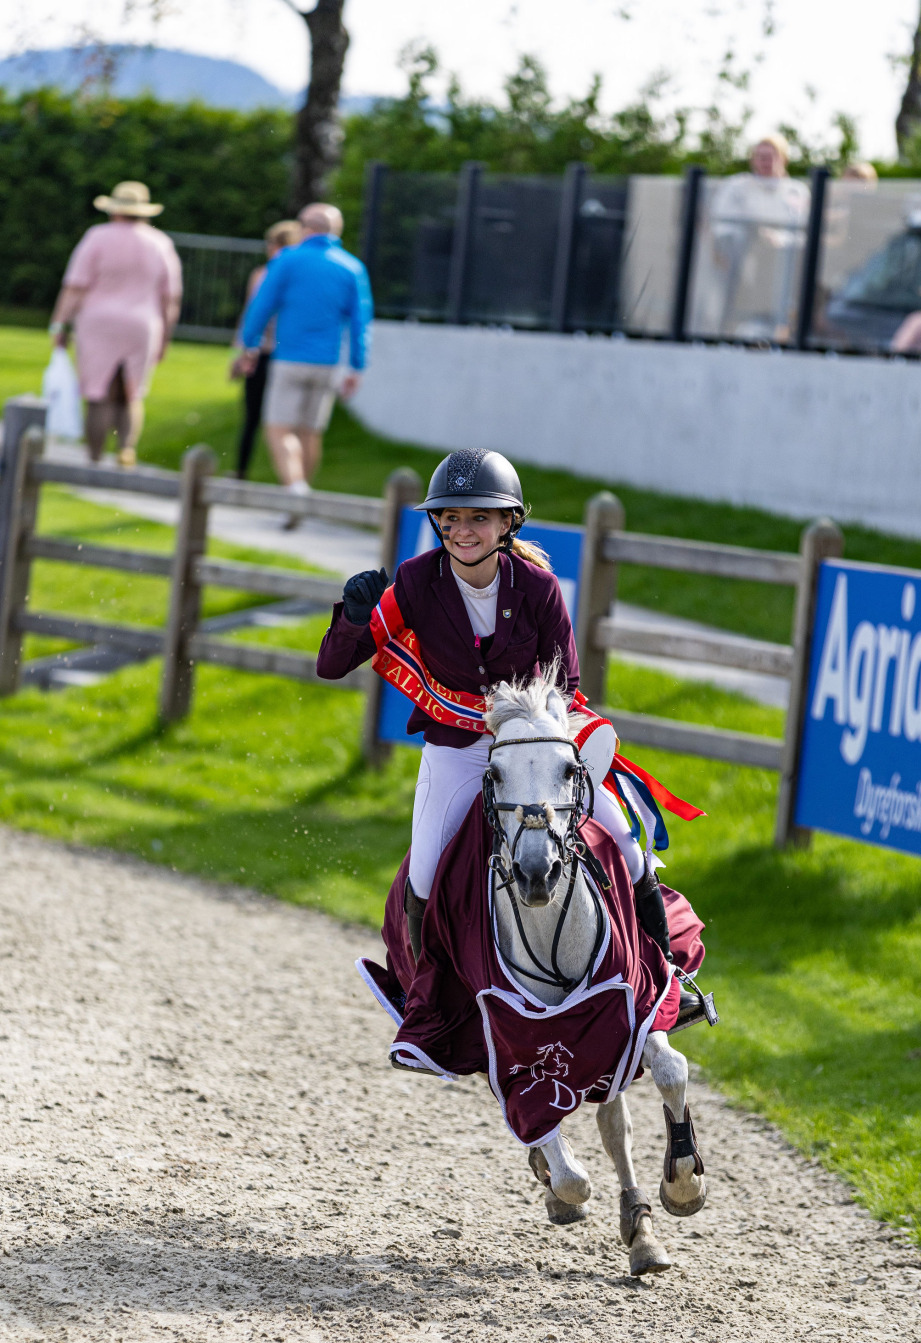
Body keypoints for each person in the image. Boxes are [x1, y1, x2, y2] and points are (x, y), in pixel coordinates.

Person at [316, 448, 668, 962]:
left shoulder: (539, 587)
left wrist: (525, 728)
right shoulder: (415, 581)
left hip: (533, 751)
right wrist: (352, 617)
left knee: (627, 844)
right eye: (450, 518)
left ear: (508, 523)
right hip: (456, 750)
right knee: (424, 870)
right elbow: (331, 666)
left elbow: (566, 684)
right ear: (437, 522)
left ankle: (667, 970)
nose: (462, 531)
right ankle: (425, 990)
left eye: (479, 518)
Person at [239, 202, 373, 528]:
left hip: (289, 358)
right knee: (310, 432)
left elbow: (262, 304)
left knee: (278, 428)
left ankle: (295, 492)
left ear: (305, 227)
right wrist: (357, 366)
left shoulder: (288, 259)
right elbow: (360, 321)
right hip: (328, 363)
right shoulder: (351, 267)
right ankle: (300, 499)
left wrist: (249, 344)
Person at [49, 180, 182, 466]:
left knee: (97, 393)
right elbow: (170, 297)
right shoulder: (160, 243)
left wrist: (59, 323)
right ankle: (125, 450)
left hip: (98, 322)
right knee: (131, 393)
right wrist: (166, 336)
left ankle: (94, 458)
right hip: (143, 323)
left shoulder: (97, 237)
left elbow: (75, 286)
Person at [695, 134, 810, 340]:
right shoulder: (736, 186)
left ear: (784, 158)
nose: (765, 161)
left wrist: (779, 241)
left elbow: (804, 231)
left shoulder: (797, 191)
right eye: (760, 156)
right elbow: (719, 226)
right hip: (738, 266)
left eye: (771, 156)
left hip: (782, 270)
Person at [230, 219, 302, 479]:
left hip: (262, 351)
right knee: (288, 421)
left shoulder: (263, 274)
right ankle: (292, 476)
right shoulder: (300, 277)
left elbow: (252, 315)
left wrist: (241, 352)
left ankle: (241, 470)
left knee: (252, 417)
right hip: (290, 353)